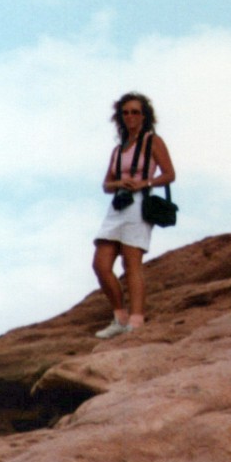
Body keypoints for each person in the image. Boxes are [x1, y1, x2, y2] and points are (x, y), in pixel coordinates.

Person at [91, 92, 176, 338]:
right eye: (126, 112)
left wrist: (144, 183)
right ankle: (120, 317)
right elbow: (106, 184)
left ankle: (136, 321)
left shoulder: (152, 141)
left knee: (131, 262)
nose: (130, 116)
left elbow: (169, 174)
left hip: (139, 204)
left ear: (144, 116)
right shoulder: (119, 149)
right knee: (101, 264)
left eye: (135, 112)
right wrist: (120, 182)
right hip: (117, 205)